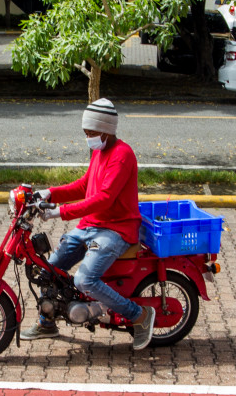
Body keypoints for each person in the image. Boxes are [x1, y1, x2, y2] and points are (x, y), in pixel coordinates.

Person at [19, 98, 155, 351]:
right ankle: (47, 323)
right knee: (49, 271)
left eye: (91, 133)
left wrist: (60, 212)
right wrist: (49, 193)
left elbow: (104, 198)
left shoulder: (122, 155)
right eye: (86, 133)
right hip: (91, 225)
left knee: (85, 280)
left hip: (116, 229)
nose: (88, 138)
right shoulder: (99, 152)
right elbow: (84, 186)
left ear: (106, 130)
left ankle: (140, 316)